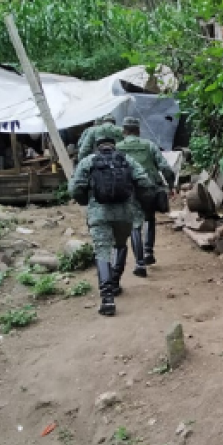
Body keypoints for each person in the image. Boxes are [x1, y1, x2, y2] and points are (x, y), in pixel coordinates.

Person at [69, 135, 156, 316]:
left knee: (102, 251)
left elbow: (75, 188)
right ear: (114, 146)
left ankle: (107, 298)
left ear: (97, 147)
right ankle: (115, 282)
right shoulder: (126, 160)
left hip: (98, 214)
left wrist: (86, 199)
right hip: (124, 213)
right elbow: (145, 182)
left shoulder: (88, 162)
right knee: (120, 245)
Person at [117, 117, 175, 267]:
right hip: (149, 188)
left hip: (127, 189)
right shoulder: (149, 145)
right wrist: (171, 185)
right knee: (149, 218)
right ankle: (148, 251)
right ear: (138, 131)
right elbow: (165, 167)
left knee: (135, 222)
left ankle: (140, 260)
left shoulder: (117, 148)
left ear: (124, 131)